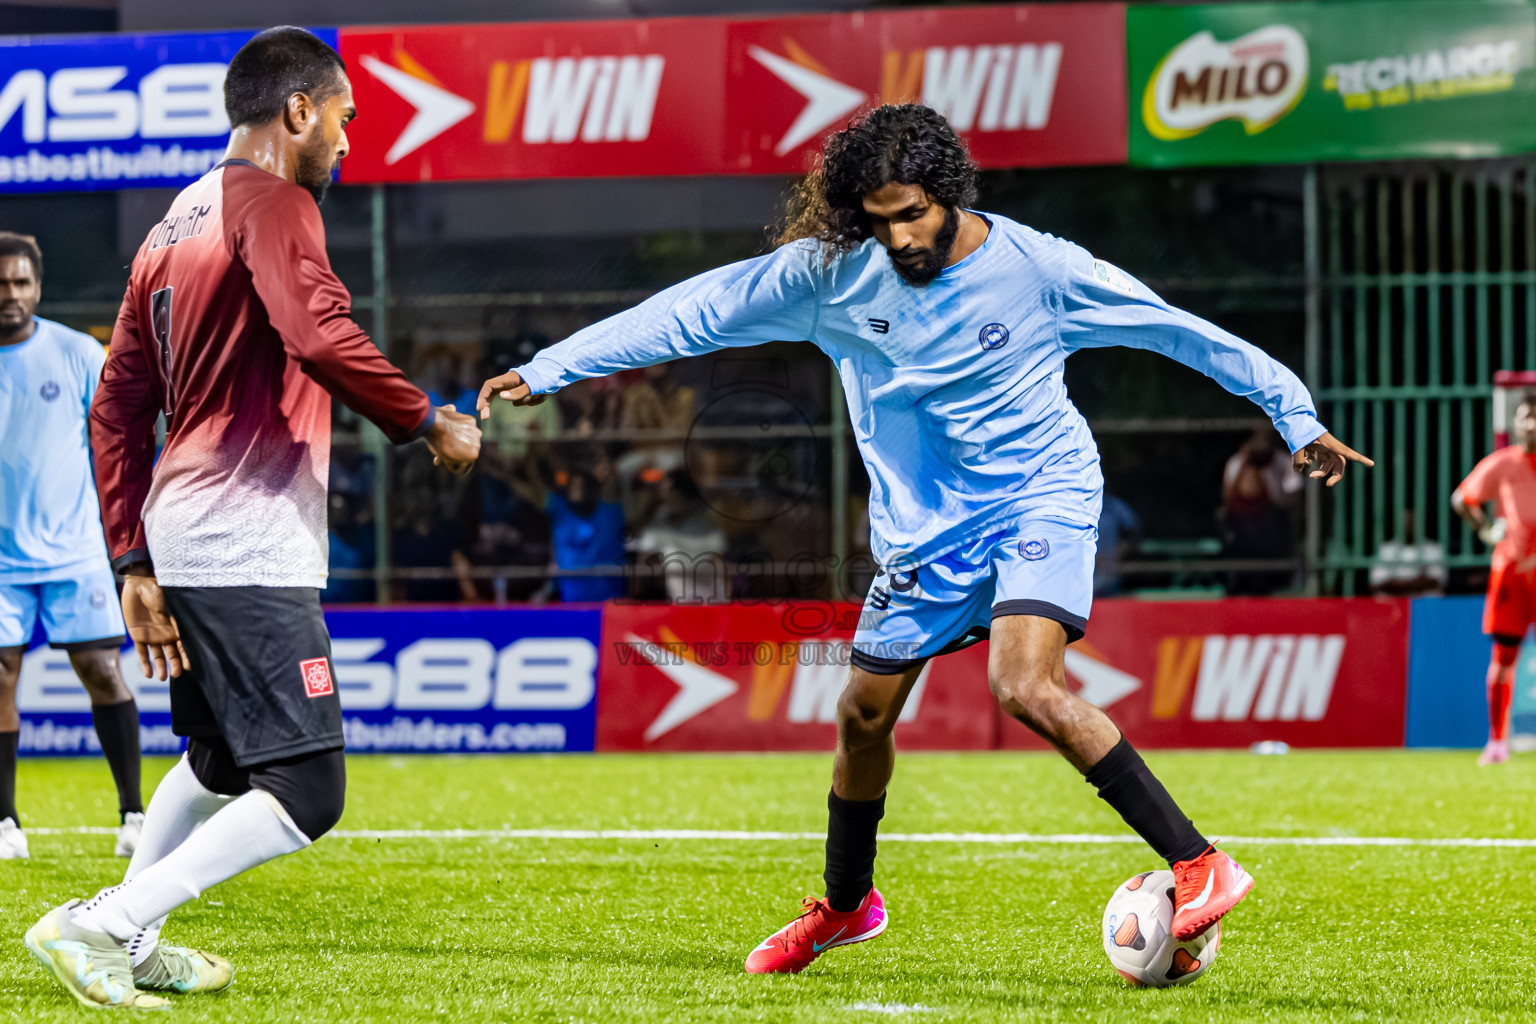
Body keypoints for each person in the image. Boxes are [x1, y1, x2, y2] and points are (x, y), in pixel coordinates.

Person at [480, 104, 1371, 974]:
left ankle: (1198, 861)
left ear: (949, 194)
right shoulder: (829, 273)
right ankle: (844, 905)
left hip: (1040, 493)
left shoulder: (1039, 268)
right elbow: (692, 310)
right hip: (923, 535)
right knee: (862, 719)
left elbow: (1177, 332)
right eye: (880, 222)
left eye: (914, 214)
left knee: (1024, 684)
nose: (901, 238)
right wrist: (547, 370)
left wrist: (1294, 416)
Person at [24, 27, 480, 1009]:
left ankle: (133, 939)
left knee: (223, 759)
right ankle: (100, 923)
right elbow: (317, 334)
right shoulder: (276, 202)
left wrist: (134, 556)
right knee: (309, 788)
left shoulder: (170, 223)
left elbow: (116, 402)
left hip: (186, 530)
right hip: (244, 534)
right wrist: (424, 420)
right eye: (346, 118)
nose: (351, 141)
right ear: (298, 111)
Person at [0, 233, 144, 861]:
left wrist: (125, 540)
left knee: (102, 671)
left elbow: (113, 447)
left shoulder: (78, 352)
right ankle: (5, 822)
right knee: (0, 678)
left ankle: (133, 813)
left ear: (37, 286)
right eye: (1, 284)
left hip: (76, 550)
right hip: (1, 563)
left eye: (21, 283)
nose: (11, 295)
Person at [1452, 393, 1536, 766]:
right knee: (1504, 658)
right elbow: (1462, 499)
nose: (1531, 425)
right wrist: (1486, 532)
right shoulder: (1502, 464)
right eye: (1525, 418)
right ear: (1516, 422)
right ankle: (1498, 742)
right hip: (1512, 574)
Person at [1220, 429, 1301, 595]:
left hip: (1273, 533)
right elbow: (1228, 497)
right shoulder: (1237, 463)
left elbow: (1293, 497)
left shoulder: (1284, 462)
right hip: (1240, 534)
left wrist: (1268, 481)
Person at [1368, 510, 1446, 598]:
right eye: (1405, 522)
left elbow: (1436, 581)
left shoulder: (1433, 549)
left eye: (1412, 522)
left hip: (1425, 606)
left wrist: (1396, 583)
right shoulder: (1385, 550)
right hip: (1392, 604)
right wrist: (1417, 582)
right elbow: (1377, 583)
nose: (1408, 525)